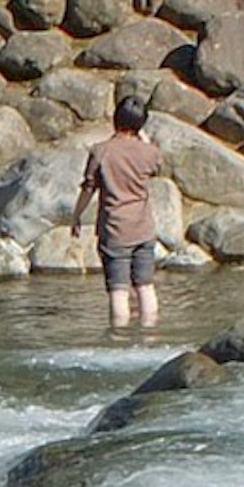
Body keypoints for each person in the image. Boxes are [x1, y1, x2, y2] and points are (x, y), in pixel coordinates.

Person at [70, 92, 169, 331]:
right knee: (145, 286)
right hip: (144, 229)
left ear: (115, 119)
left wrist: (77, 216)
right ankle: (149, 333)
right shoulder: (150, 152)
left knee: (118, 290)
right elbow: (158, 166)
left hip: (115, 230)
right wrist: (142, 138)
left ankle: (120, 337)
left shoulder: (101, 151)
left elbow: (88, 188)